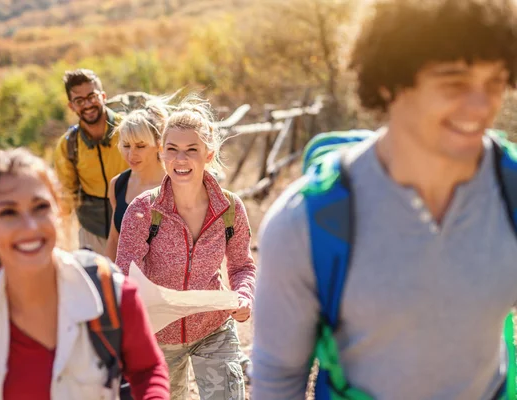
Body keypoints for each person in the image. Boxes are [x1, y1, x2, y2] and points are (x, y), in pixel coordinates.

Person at [251, 0, 517, 399]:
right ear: (388, 83)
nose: (482, 106)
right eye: (454, 82)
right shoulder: (306, 222)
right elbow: (277, 381)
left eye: (495, 82)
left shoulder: (510, 189)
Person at [0, 148, 170, 400]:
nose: (29, 227)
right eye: (8, 213)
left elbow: (147, 369)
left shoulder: (109, 292)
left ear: (58, 212)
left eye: (40, 207)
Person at [116, 95, 256, 400]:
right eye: (172, 150)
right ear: (162, 153)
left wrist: (244, 297)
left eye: (192, 150)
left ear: (208, 155)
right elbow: (125, 274)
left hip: (214, 328)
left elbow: (242, 266)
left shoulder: (230, 208)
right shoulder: (143, 210)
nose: (181, 160)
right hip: (158, 336)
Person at [53, 69, 129, 254]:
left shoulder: (128, 129)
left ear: (103, 96)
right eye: (79, 100)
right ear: (71, 106)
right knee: (97, 282)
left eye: (92, 96)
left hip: (134, 225)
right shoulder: (68, 145)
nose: (87, 104)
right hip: (92, 231)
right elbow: (66, 195)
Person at [105, 101, 169, 260]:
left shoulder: (175, 186)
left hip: (166, 284)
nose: (131, 155)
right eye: (126, 145)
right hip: (128, 282)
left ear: (158, 145)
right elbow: (114, 240)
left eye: (140, 146)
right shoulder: (117, 185)